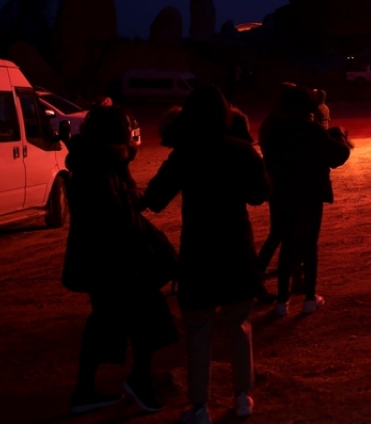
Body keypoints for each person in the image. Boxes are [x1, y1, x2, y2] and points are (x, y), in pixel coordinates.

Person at [142, 87, 269, 423]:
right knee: (239, 325)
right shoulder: (241, 151)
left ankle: (199, 406)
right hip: (236, 248)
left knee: (198, 330)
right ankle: (244, 396)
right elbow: (259, 195)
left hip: (198, 251)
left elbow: (154, 199)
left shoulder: (185, 153)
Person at [63, 106, 177, 414]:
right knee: (140, 317)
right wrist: (152, 246)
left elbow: (120, 206)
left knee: (111, 322)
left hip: (107, 258)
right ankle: (135, 381)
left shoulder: (100, 163)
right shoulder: (98, 168)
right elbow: (114, 218)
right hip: (112, 260)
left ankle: (90, 390)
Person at [259, 83, 352, 315]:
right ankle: (310, 298)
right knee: (309, 245)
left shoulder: (272, 129)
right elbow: (338, 156)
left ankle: (282, 302)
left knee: (287, 244)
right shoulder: (311, 130)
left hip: (281, 193)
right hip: (310, 193)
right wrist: (339, 136)